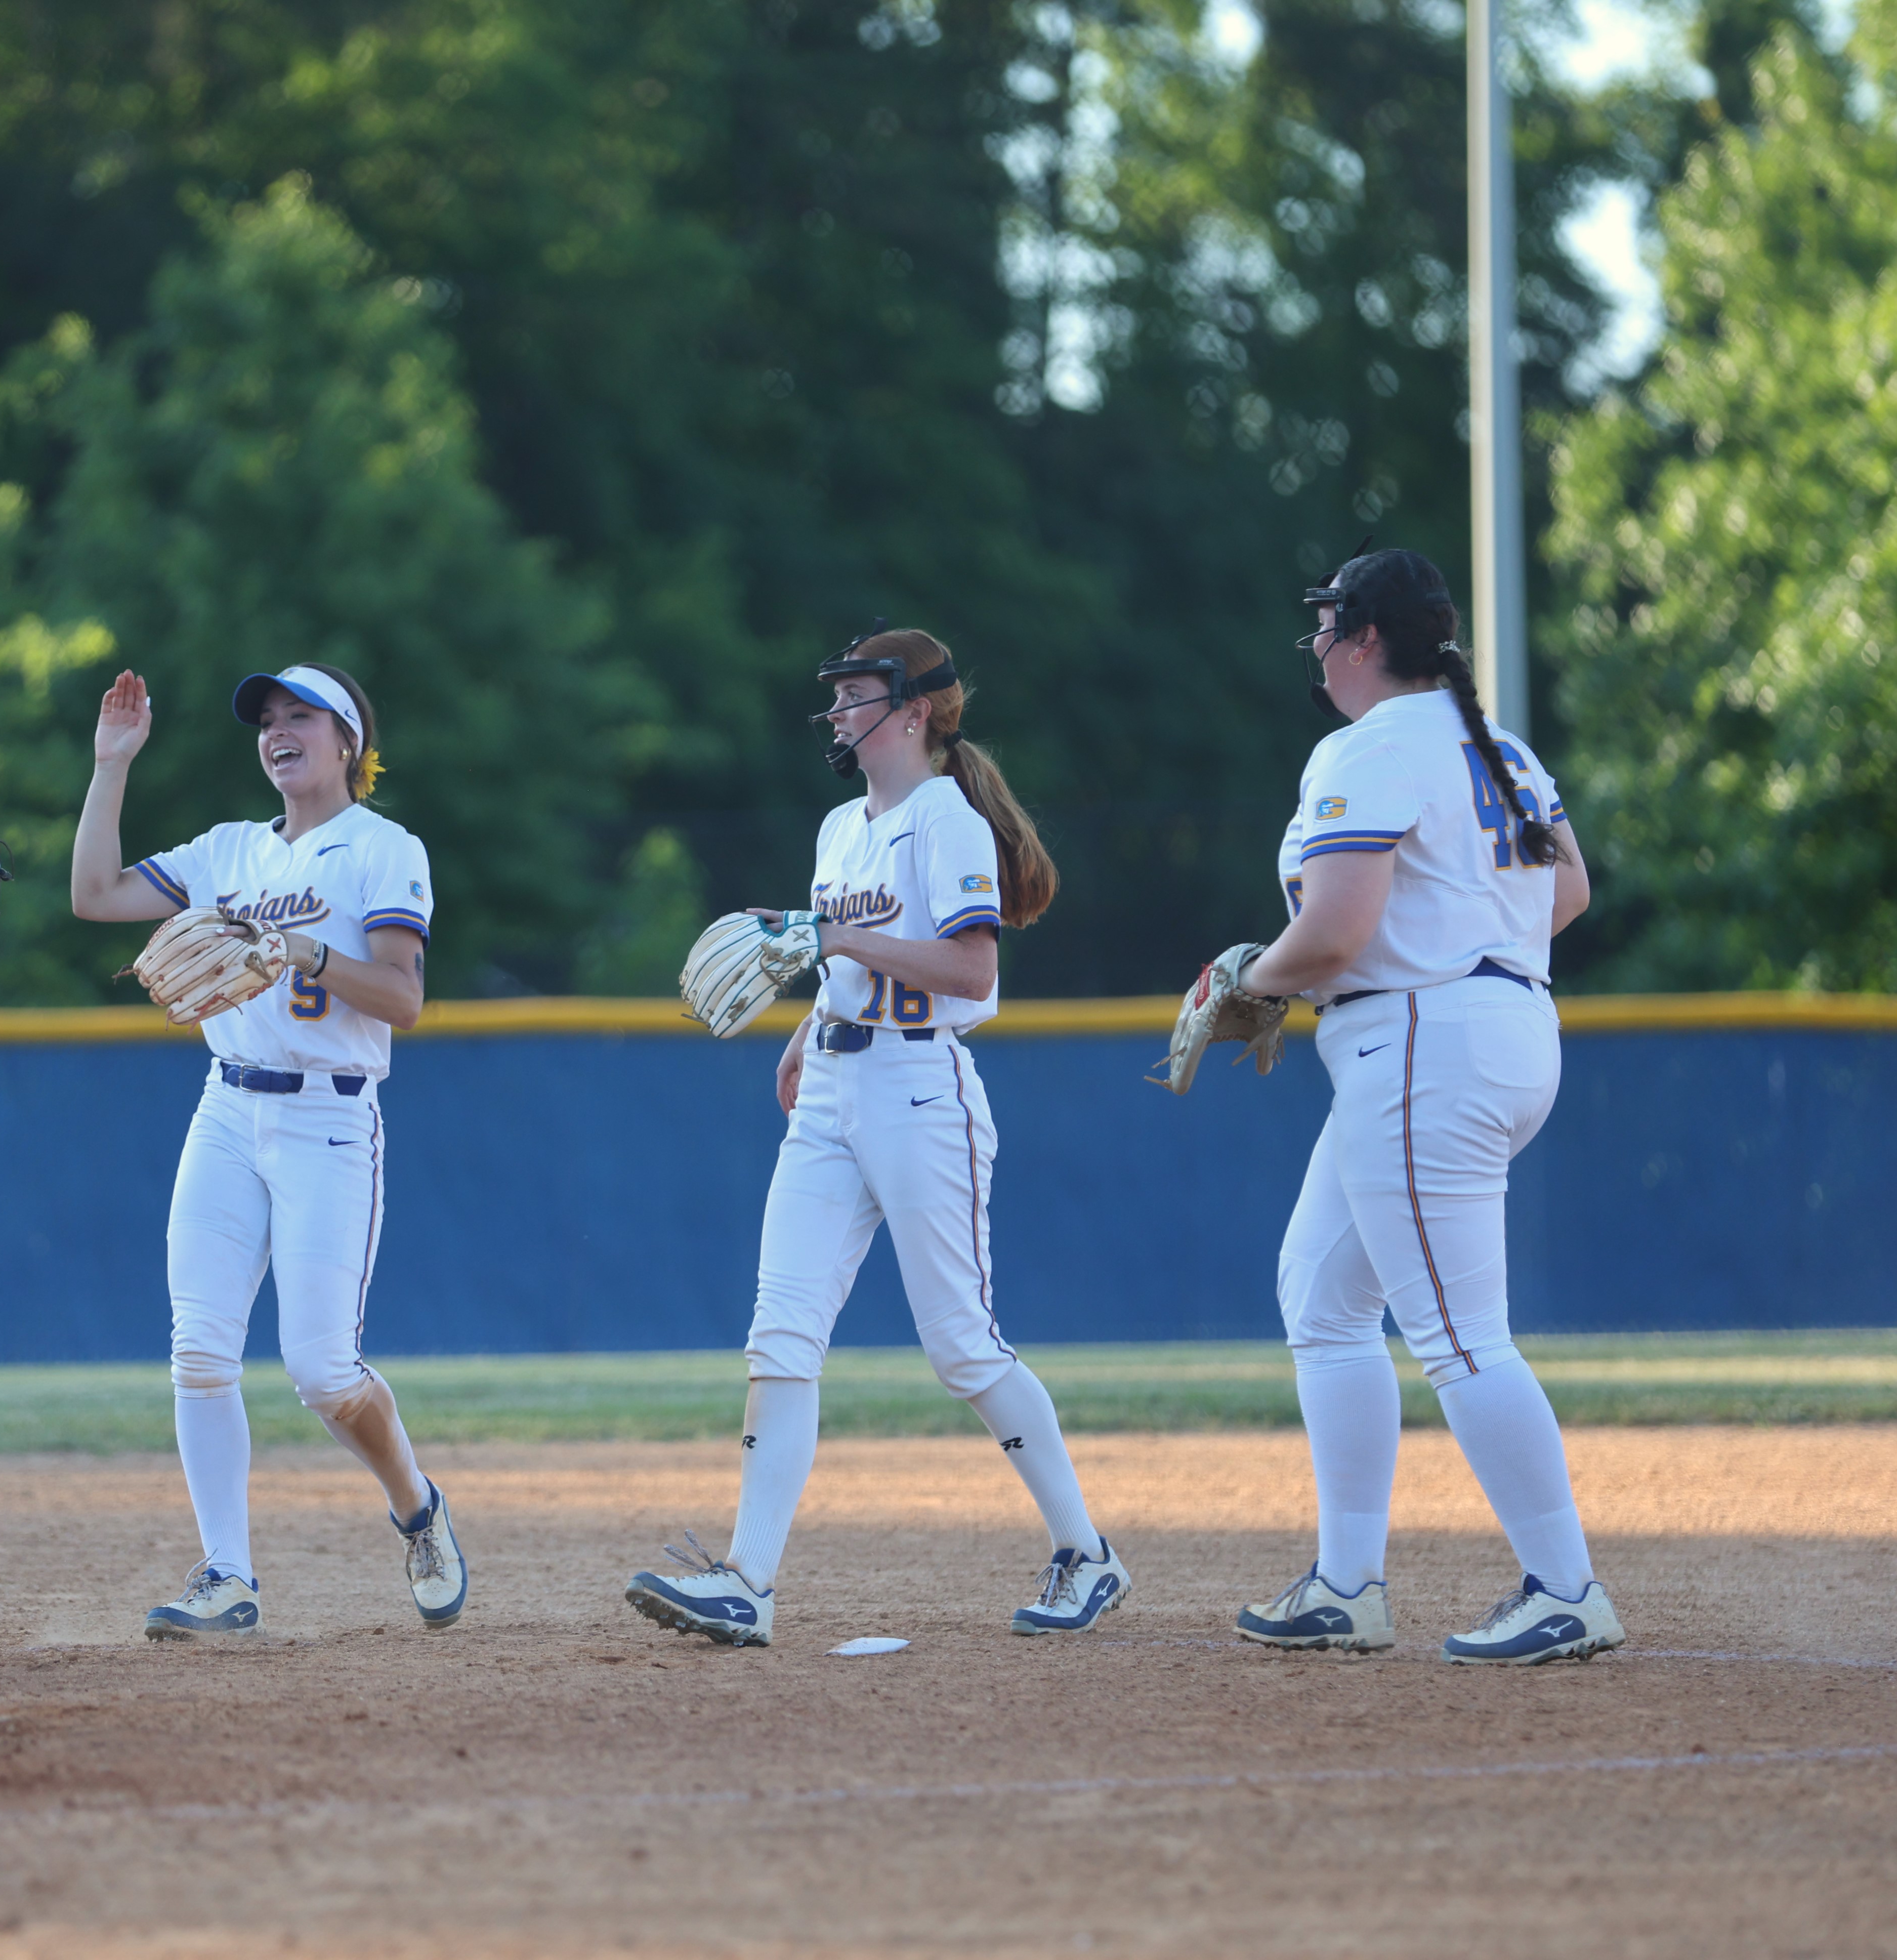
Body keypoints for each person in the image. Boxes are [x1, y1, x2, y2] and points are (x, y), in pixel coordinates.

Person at [626, 629, 1127, 1647]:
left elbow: (972, 970)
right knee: (780, 1330)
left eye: (857, 694)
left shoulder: (946, 819)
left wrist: (836, 939)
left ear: (913, 710)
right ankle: (747, 1581)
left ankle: (1086, 1551)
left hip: (919, 1088)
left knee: (960, 1346)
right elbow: (842, 957)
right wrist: (806, 1032)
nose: (838, 710)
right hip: (833, 1086)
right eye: (838, 694)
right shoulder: (839, 826)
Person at [1224, 548, 1622, 1664]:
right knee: (1322, 1294)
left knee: (1458, 1334)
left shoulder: (1369, 745)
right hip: (1492, 1027)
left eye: (1327, 626)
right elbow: (1570, 890)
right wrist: (1467, 939)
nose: (1315, 646)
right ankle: (1345, 1584)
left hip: (1418, 1043)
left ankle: (1565, 1587)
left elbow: (1335, 932)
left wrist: (1246, 980)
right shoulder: (1497, 744)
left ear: (1364, 638)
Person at [69, 663, 465, 1640]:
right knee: (199, 1349)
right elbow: (94, 895)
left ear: (348, 742)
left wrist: (309, 953)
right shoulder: (226, 850)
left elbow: (404, 998)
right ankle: (227, 1575)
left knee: (322, 1371)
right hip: (227, 1109)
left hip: (329, 1119)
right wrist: (111, 764)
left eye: (301, 717)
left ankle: (417, 1507)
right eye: (267, 720)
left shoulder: (382, 849)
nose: (278, 731)